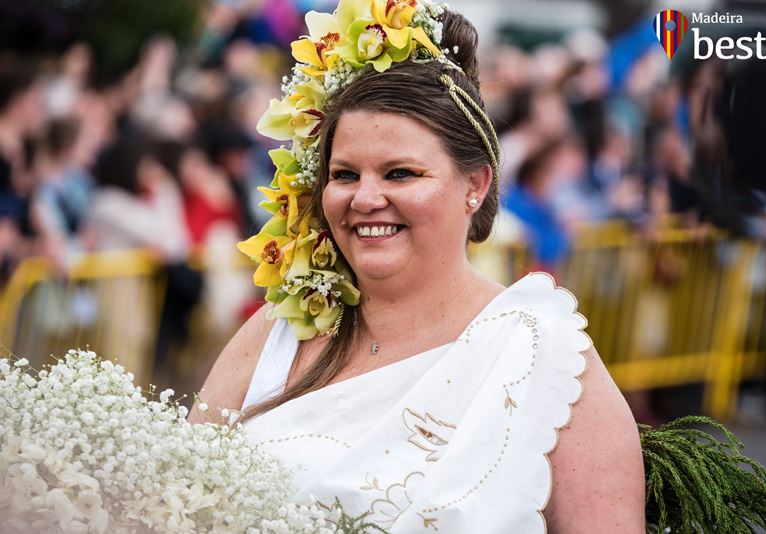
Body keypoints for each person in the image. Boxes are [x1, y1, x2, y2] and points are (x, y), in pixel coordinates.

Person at [190, 4, 644, 532]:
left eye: (400, 173)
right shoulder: (279, 331)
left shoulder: (546, 358)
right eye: (344, 174)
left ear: (475, 184)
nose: (364, 199)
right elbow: (176, 497)